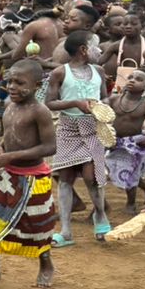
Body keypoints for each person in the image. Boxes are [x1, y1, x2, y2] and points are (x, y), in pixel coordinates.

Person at [0, 59, 59, 287]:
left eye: (20, 83)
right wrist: (1, 147)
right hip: (6, 176)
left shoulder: (40, 112)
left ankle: (46, 264)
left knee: (36, 226)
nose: (12, 87)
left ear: (38, 85)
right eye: (9, 81)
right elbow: (9, 135)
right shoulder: (9, 105)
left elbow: (50, 147)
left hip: (32, 178)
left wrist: (10, 156)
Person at [47, 30, 111, 245]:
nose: (99, 50)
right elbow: (50, 102)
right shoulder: (60, 73)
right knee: (65, 179)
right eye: (95, 46)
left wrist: (103, 108)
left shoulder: (99, 71)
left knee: (92, 177)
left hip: (93, 128)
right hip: (68, 128)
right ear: (84, 50)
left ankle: (100, 214)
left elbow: (104, 97)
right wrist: (75, 103)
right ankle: (66, 230)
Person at [106, 67, 145, 212]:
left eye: (139, 79)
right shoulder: (113, 99)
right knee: (120, 170)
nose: (132, 81)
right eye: (130, 77)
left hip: (134, 143)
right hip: (114, 141)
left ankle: (131, 203)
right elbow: (99, 110)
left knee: (130, 173)